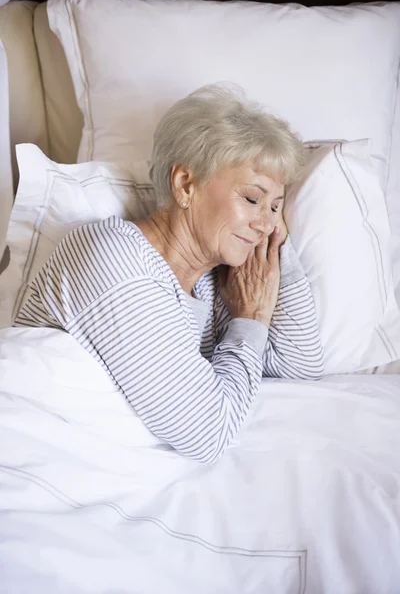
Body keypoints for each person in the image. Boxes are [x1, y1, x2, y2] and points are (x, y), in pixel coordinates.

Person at [15, 84, 324, 464]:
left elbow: (300, 365)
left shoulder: (214, 282)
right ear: (185, 184)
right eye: (251, 198)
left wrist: (275, 243)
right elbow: (208, 434)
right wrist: (251, 318)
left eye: (277, 205)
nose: (267, 220)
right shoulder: (114, 256)